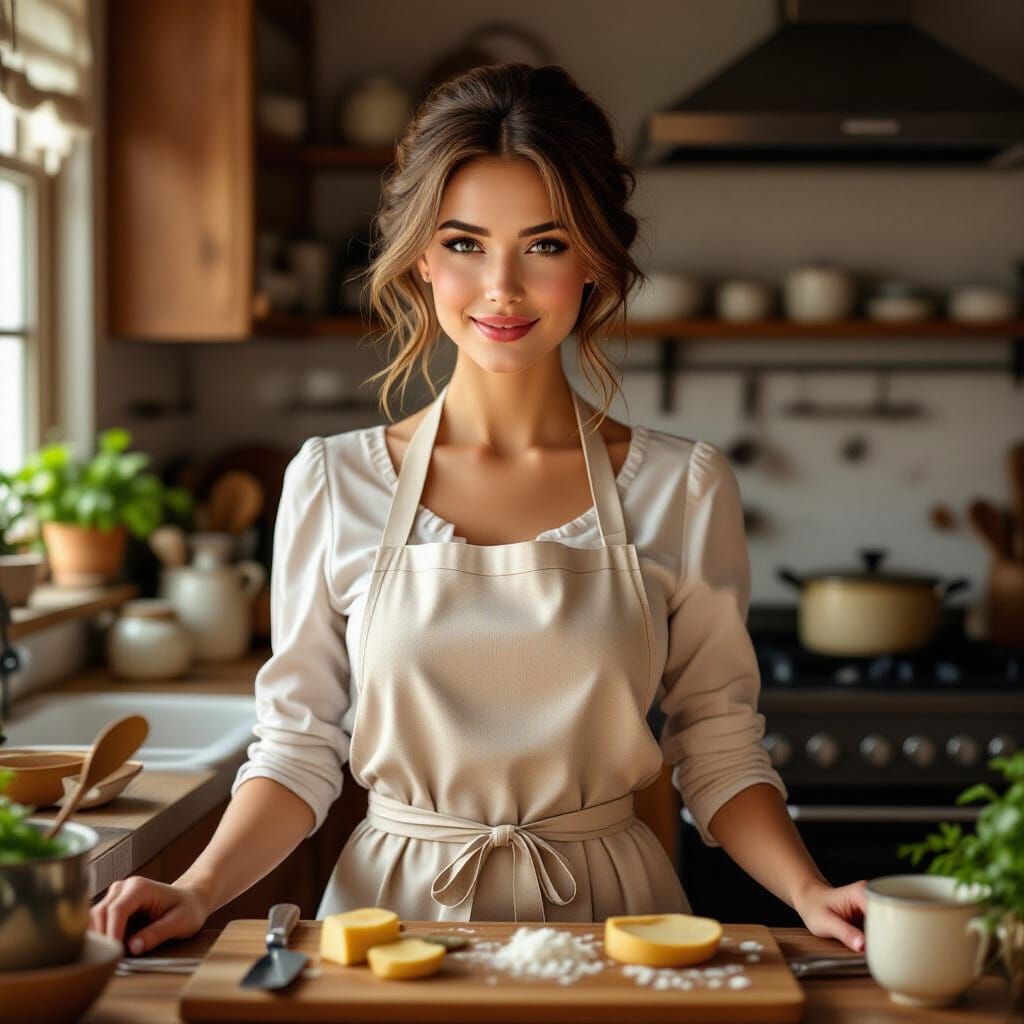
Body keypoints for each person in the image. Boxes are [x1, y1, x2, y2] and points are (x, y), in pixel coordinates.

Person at [91, 62, 866, 954]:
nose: (502, 286)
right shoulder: (333, 482)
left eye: (545, 245)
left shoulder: (682, 486)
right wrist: (196, 890)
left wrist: (808, 891)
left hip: (614, 925)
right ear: (422, 258)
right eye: (464, 244)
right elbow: (298, 749)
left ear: (594, 261)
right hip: (388, 924)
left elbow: (719, 747)